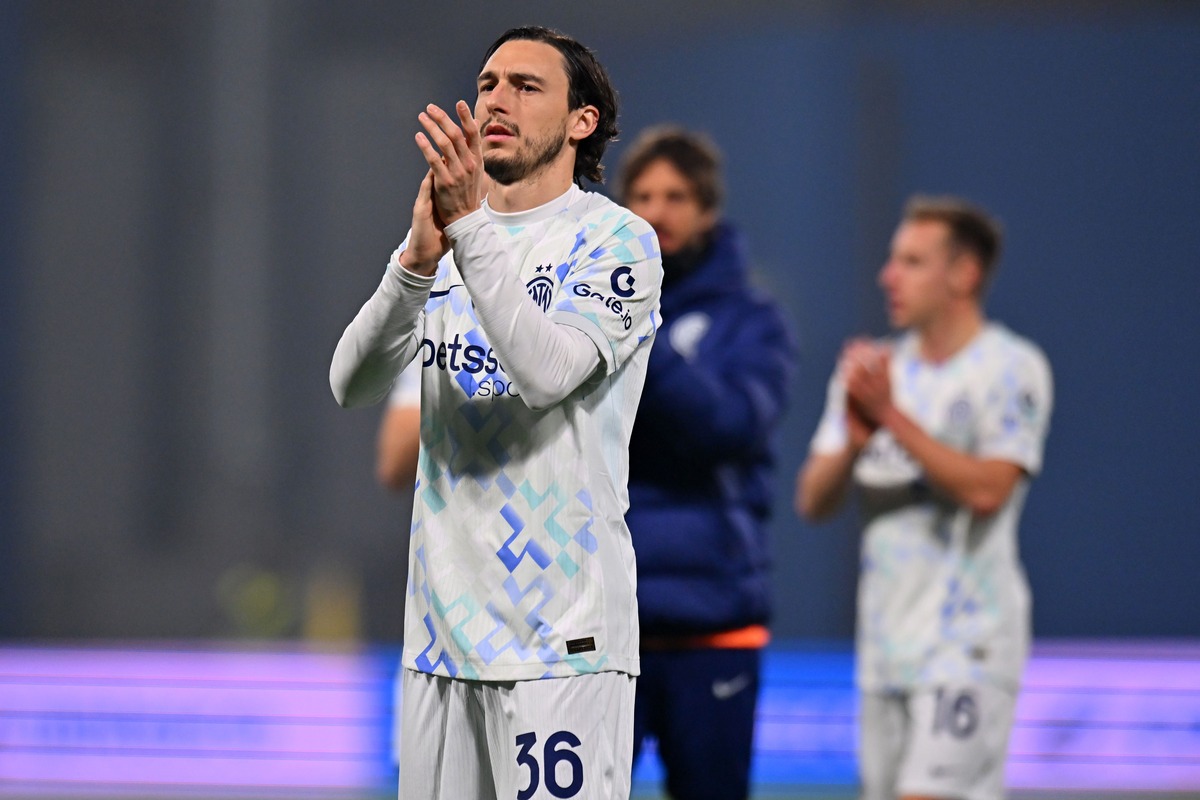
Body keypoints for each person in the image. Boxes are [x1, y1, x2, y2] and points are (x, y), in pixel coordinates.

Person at [329, 25, 662, 800]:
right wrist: (415, 264)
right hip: (441, 643)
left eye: (525, 85)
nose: (496, 100)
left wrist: (469, 230)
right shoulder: (446, 245)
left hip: (563, 645)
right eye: (486, 84)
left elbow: (547, 374)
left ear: (582, 121)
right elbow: (352, 382)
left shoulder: (614, 240)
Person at [795, 196, 1053, 800]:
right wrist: (856, 441)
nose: (889, 275)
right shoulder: (874, 370)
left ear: (963, 274)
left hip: (969, 643)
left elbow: (990, 490)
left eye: (911, 261)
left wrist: (892, 419)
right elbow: (812, 500)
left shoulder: (1009, 367)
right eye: (892, 259)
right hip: (885, 650)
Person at [615, 126, 795, 800]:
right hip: (606, 631)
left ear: (708, 211)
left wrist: (638, 331)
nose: (656, 211)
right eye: (642, 195)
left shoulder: (753, 322)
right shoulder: (581, 315)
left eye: (676, 196)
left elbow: (729, 425)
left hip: (713, 622)